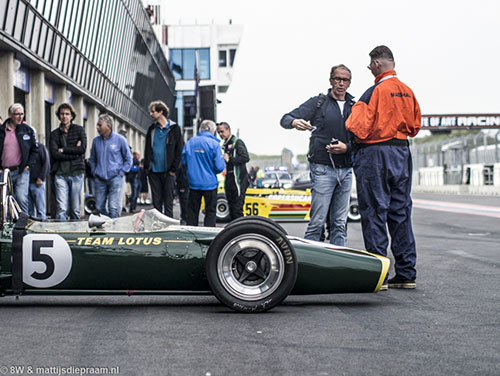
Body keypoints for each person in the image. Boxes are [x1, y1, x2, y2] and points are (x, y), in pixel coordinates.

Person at [345, 45, 421, 290]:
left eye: (369, 66)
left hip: (375, 154)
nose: (369, 70)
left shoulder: (373, 92)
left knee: (374, 211)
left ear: (377, 64)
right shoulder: (408, 91)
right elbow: (415, 126)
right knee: (400, 211)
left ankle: (380, 275)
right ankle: (407, 273)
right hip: (401, 152)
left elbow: (356, 126)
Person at [280, 64, 355, 246]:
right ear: (331, 80)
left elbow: (362, 140)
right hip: (322, 170)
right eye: (337, 79)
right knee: (316, 223)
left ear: (349, 83)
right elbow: (285, 118)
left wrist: (347, 148)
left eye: (345, 80)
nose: (341, 83)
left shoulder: (356, 106)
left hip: (345, 171)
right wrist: (294, 122)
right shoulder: (318, 102)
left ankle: (338, 266)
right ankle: (310, 266)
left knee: (339, 224)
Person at [182, 120, 225, 227]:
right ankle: (208, 236)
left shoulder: (190, 142)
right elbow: (220, 167)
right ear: (212, 130)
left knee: (192, 211)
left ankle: (191, 234)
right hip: (210, 183)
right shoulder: (215, 144)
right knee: (210, 211)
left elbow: (183, 161)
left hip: (193, 183)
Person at [144, 100, 183, 218]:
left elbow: (179, 150)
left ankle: (169, 229)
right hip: (153, 172)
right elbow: (147, 149)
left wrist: (173, 170)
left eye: (153, 111)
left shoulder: (174, 128)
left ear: (161, 112)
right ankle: (157, 229)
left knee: (168, 203)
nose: (151, 114)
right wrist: (147, 168)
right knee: (156, 204)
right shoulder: (151, 129)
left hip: (168, 172)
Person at [89, 114, 132, 218]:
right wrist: (94, 172)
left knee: (113, 207)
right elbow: (92, 159)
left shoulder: (120, 140)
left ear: (108, 126)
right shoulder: (96, 141)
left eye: (100, 125)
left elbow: (128, 159)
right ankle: (105, 229)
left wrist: (121, 172)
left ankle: (115, 230)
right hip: (100, 179)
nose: (97, 127)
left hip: (115, 178)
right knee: (99, 207)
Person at [50, 103, 87, 220]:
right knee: (61, 208)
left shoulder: (79, 130)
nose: (64, 116)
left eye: (67, 114)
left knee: (75, 208)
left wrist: (64, 150)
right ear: (59, 116)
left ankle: (75, 234)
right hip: (60, 174)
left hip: (76, 172)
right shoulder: (54, 134)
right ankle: (61, 232)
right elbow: (55, 154)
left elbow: (82, 149)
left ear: (72, 116)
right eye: (62, 114)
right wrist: (74, 152)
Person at [0, 103, 38, 213]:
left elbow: (34, 150)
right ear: (10, 115)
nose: (20, 117)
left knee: (21, 198)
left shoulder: (27, 130)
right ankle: (6, 225)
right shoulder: (1, 131)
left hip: (21, 171)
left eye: (22, 114)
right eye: (17, 114)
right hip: (4, 172)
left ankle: (23, 225)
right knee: (4, 200)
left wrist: (28, 166)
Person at [217, 121, 250, 221]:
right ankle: (233, 233)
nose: (220, 134)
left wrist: (229, 159)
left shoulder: (237, 142)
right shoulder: (225, 144)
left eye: (222, 131)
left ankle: (242, 232)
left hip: (239, 180)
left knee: (237, 209)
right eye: (219, 132)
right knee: (231, 208)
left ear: (228, 130)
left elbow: (245, 158)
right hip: (229, 179)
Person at [28, 142, 50, 219]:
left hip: (37, 182)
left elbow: (46, 163)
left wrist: (41, 177)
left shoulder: (41, 147)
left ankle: (42, 228)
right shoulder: (25, 147)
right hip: (25, 182)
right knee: (30, 211)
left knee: (40, 210)